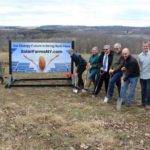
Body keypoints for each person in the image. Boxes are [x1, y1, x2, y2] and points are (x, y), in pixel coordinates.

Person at [138, 42, 150, 109]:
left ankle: (148, 104)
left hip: (149, 76)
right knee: (143, 90)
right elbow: (140, 65)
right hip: (142, 76)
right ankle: (143, 103)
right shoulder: (140, 55)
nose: (145, 47)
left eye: (146, 46)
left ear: (148, 46)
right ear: (142, 47)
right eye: (144, 46)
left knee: (148, 90)